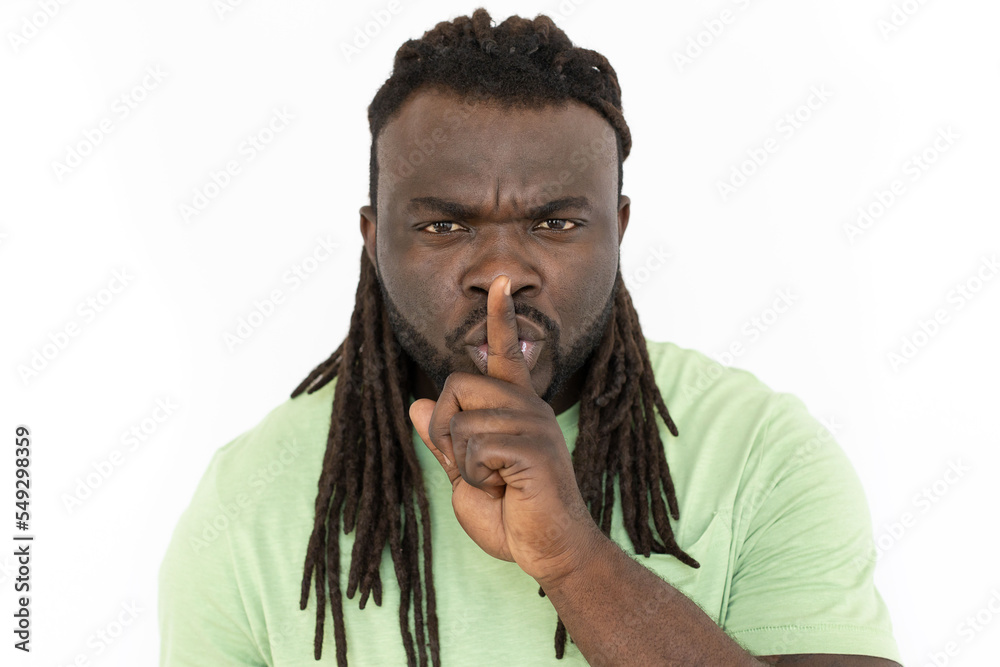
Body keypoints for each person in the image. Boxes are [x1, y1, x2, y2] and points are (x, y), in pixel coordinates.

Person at [158, 8, 902, 666]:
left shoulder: (762, 453)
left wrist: (572, 557)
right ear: (373, 240)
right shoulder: (247, 499)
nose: (502, 274)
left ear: (619, 230)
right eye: (443, 225)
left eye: (556, 222)